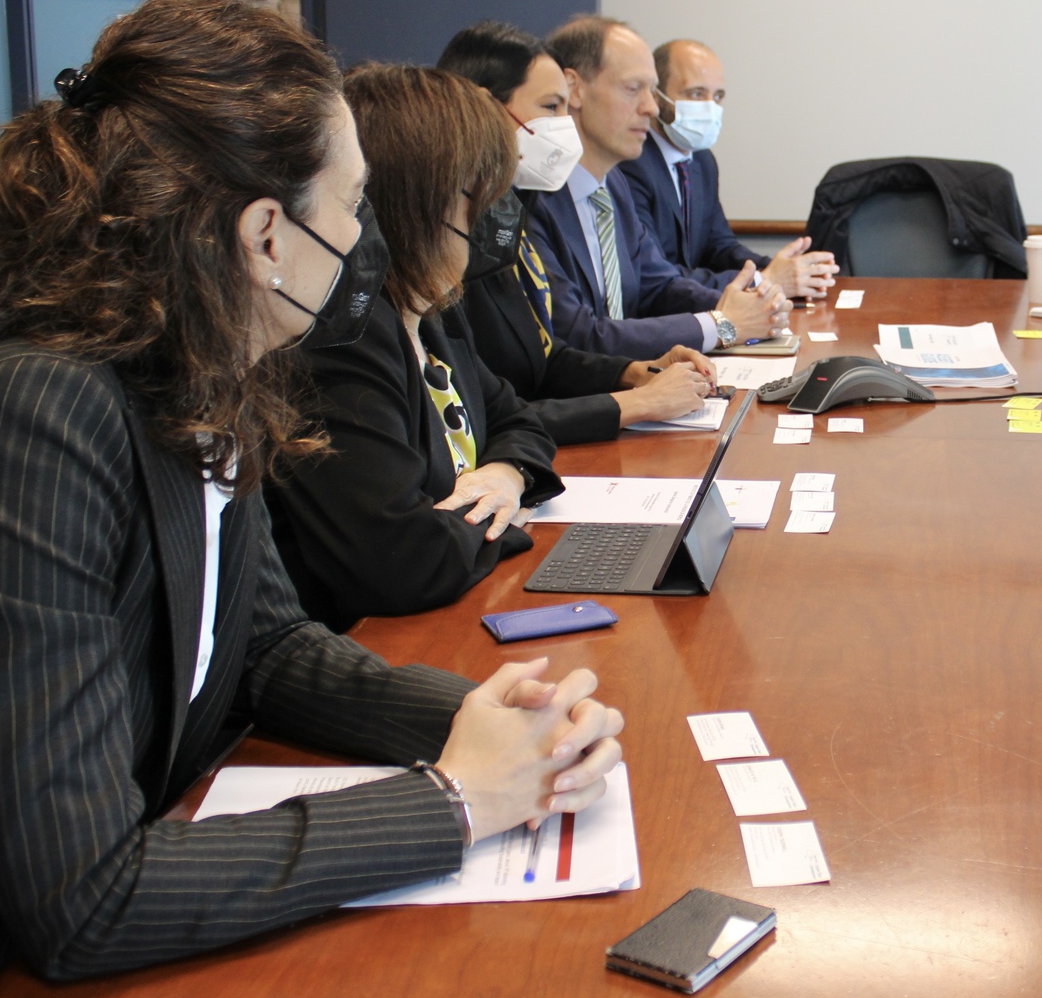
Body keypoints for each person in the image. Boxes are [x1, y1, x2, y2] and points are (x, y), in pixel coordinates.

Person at [0, 0, 624, 998]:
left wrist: (492, 720)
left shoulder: (188, 373)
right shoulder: (34, 412)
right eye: (353, 208)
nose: (363, 239)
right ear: (266, 235)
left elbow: (270, 648)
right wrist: (453, 801)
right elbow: (84, 897)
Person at [265, 65, 714, 632]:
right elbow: (404, 559)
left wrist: (505, 474)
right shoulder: (346, 339)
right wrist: (511, 515)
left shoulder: (432, 313)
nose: (496, 216)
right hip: (383, 639)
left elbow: (517, 418)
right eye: (478, 197)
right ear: (418, 205)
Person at [435, 22, 722, 441]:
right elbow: (489, 410)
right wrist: (634, 402)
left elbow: (545, 357)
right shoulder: (455, 234)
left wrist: (634, 374)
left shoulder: (506, 209)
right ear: (482, 109)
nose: (564, 124)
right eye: (552, 108)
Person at [526, 15, 789, 358]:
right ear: (574, 89)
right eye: (633, 89)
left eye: (651, 91)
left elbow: (657, 284)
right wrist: (723, 324)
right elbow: (580, 335)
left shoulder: (612, 186)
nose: (651, 108)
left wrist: (750, 307)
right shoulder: (532, 199)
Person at [617, 36, 838, 296]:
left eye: (718, 96)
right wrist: (763, 279)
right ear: (656, 96)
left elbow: (718, 246)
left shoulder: (702, 160)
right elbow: (656, 274)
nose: (710, 107)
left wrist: (784, 270)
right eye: (696, 94)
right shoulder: (631, 164)